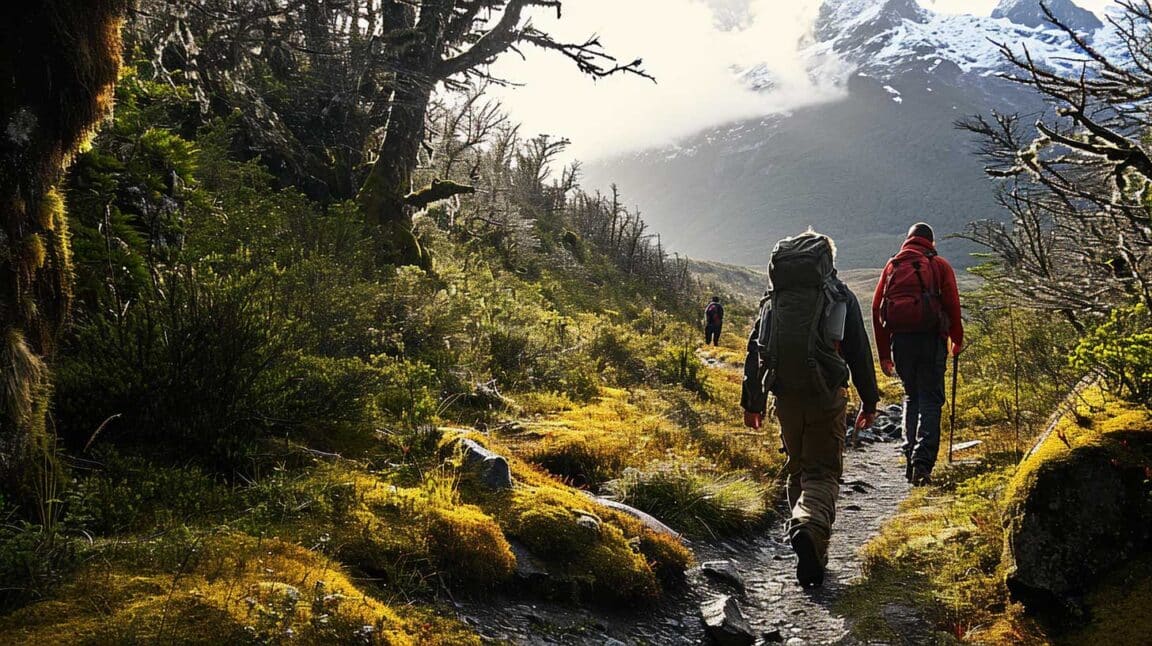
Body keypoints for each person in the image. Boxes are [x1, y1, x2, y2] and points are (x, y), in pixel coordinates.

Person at [741, 231, 880, 587]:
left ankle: (809, 546)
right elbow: (860, 353)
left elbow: (754, 351)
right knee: (822, 472)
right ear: (827, 261)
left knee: (797, 467)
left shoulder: (774, 298)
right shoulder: (839, 295)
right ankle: (807, 525)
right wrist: (870, 399)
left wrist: (753, 403)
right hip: (826, 396)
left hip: (783, 396)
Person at [872, 223, 963, 487]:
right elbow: (952, 305)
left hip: (901, 343)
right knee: (931, 399)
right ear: (931, 242)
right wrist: (956, 339)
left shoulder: (892, 266)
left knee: (911, 396)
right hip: (931, 340)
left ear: (908, 240)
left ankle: (909, 455)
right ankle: (923, 463)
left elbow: (878, 310)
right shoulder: (939, 265)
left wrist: (883, 354)